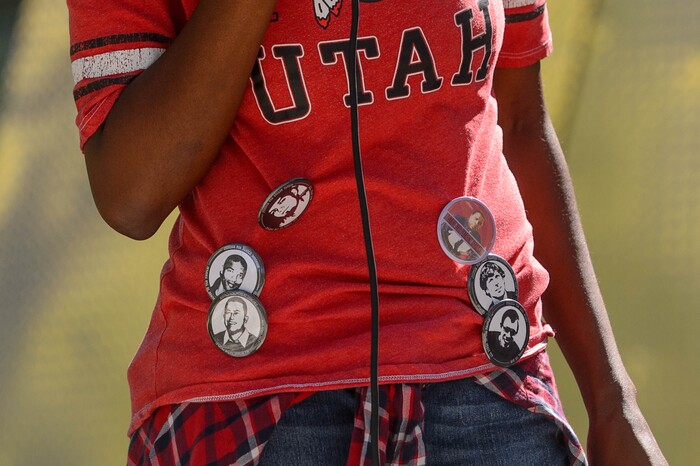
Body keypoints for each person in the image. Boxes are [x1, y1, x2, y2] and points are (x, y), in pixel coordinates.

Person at [67, 0, 667, 465]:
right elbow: (131, 195)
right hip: (256, 402)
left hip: (488, 387)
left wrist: (613, 402)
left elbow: (519, 121)